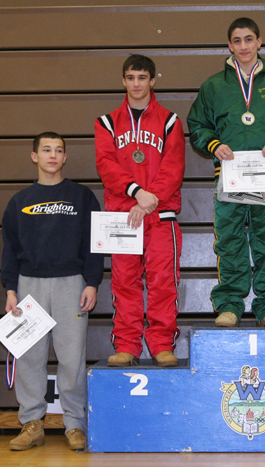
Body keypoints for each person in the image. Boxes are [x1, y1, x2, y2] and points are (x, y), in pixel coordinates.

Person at [188, 17, 265, 328]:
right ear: (229, 45)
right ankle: (229, 305)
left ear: (259, 42)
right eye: (237, 41)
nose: (243, 46)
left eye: (249, 39)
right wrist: (214, 145)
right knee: (229, 240)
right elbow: (197, 125)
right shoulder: (214, 86)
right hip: (229, 176)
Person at [2, 132, 104, 451]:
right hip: (28, 285)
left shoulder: (82, 197)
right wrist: (10, 289)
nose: (52, 155)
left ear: (65, 157)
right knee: (29, 357)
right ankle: (32, 423)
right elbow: (9, 250)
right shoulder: (19, 201)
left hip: (71, 284)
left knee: (72, 359)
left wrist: (92, 281)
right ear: (34, 156)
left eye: (58, 150)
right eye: (46, 150)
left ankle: (74, 424)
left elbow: (94, 243)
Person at [95, 54, 185, 367]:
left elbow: (174, 167)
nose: (136, 84)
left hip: (160, 215)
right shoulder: (106, 122)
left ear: (153, 80)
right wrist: (136, 192)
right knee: (124, 284)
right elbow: (105, 164)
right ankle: (127, 346)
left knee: (163, 283)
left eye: (142, 78)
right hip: (123, 216)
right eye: (131, 78)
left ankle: (161, 344)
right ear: (123, 80)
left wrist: (150, 199)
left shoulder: (170, 121)